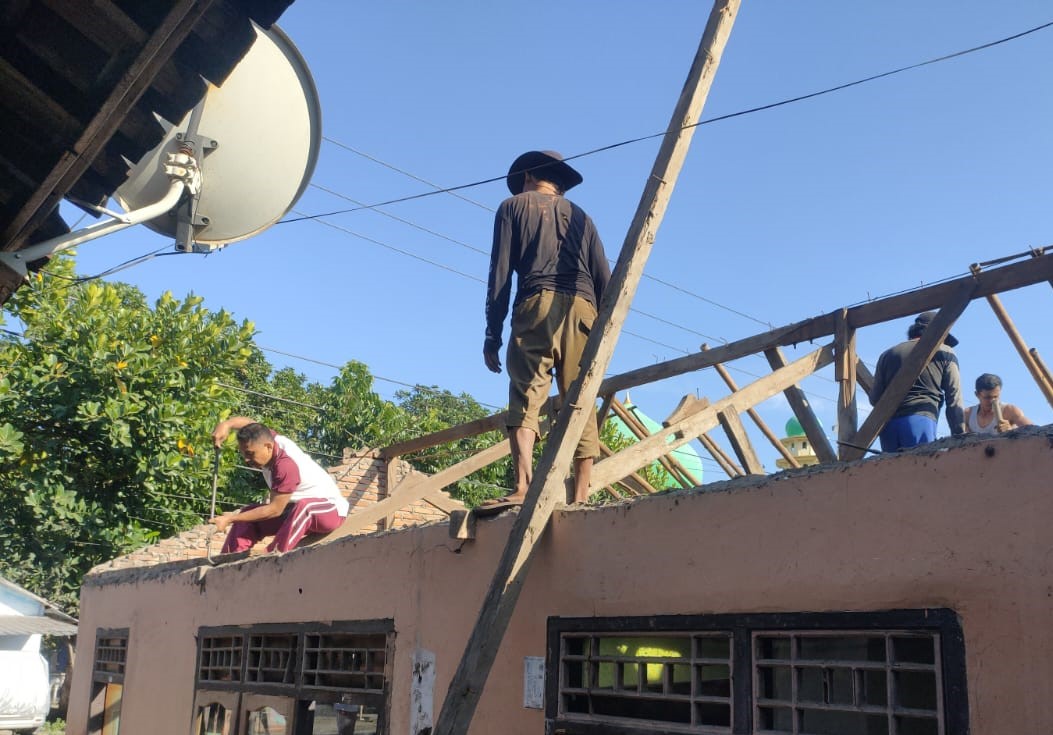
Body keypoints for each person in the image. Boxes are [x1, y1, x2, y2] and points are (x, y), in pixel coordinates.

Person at [481, 150, 611, 512]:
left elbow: (500, 276)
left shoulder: (513, 206)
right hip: (585, 309)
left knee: (526, 395)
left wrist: (492, 334)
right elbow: (605, 279)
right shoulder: (584, 218)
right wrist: (599, 330)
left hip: (536, 304)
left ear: (527, 177)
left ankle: (523, 486)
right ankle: (581, 497)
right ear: (560, 184)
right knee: (579, 401)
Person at [210, 417, 349, 553]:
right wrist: (226, 424)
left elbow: (275, 510)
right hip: (293, 511)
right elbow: (252, 426)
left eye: (250, 454)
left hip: (330, 511)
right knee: (247, 514)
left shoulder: (285, 466)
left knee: (305, 507)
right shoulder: (268, 439)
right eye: (243, 454)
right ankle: (230, 558)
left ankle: (273, 555)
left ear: (268, 447)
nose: (247, 459)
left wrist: (230, 518)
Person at [869, 311, 966, 452]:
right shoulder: (945, 351)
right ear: (939, 333)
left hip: (887, 427)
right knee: (922, 469)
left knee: (894, 472)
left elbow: (874, 399)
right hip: (921, 419)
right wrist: (960, 438)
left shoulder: (887, 354)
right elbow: (954, 398)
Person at [964, 373, 1032, 434]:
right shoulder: (967, 415)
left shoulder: (1010, 411)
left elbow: (1034, 431)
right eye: (987, 397)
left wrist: (1011, 431)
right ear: (977, 395)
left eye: (996, 397)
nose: (992, 401)